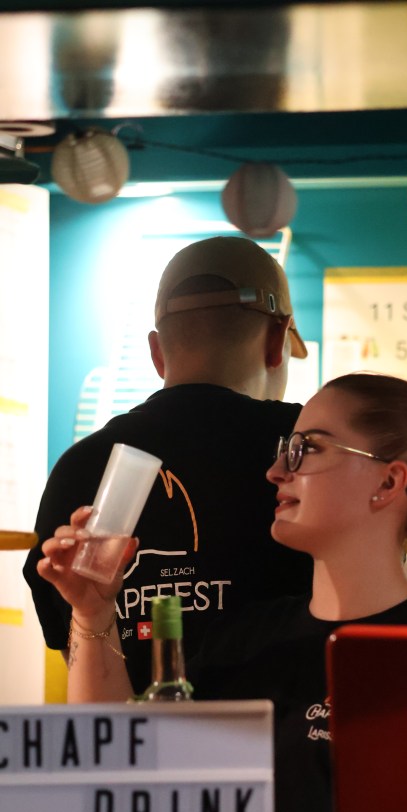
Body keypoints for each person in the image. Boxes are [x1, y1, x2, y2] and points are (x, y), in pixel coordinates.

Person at [37, 372, 407, 812]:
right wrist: (92, 612)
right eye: (285, 449)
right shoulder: (242, 640)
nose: (276, 471)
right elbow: (118, 774)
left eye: (306, 449)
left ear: (388, 483)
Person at [23, 235, 314, 693]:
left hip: (134, 737)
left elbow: (85, 669)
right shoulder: (313, 451)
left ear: (157, 352)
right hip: (298, 738)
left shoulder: (79, 469)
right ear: (277, 340)